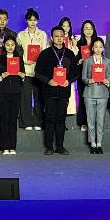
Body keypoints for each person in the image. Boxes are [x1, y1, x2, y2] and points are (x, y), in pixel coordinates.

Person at [33, 26, 77, 155]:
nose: (59, 38)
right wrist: (48, 81)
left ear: (64, 37)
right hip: (49, 92)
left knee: (61, 119)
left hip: (63, 92)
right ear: (51, 38)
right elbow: (37, 73)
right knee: (49, 119)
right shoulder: (45, 53)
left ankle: (60, 146)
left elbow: (75, 73)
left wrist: (68, 80)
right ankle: (49, 147)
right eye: (56, 36)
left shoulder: (69, 54)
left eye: (61, 36)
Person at [0, 36, 24, 154]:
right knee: (4, 119)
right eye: (8, 44)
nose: (10, 47)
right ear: (4, 45)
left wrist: (22, 76)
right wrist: (0, 76)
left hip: (15, 92)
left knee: (13, 119)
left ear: (15, 46)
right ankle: (4, 146)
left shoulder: (19, 59)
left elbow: (23, 74)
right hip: (2, 92)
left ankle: (12, 146)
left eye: (12, 45)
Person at [16, 8, 47, 131]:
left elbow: (44, 51)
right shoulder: (20, 35)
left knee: (39, 97)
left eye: (34, 20)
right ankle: (26, 122)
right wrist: (24, 60)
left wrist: (39, 61)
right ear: (26, 21)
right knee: (25, 98)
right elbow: (18, 52)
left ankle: (39, 122)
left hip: (38, 71)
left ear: (37, 21)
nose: (32, 22)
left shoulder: (42, 34)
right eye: (30, 20)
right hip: (25, 70)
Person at [81, 36, 110, 154]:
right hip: (89, 93)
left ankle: (99, 143)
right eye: (96, 47)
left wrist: (107, 81)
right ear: (92, 48)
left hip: (103, 94)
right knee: (90, 120)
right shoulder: (87, 61)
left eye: (100, 47)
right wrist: (89, 80)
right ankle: (92, 143)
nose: (98, 49)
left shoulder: (107, 61)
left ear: (103, 48)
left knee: (100, 121)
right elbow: (83, 77)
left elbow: (109, 76)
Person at [74, 19, 99, 131]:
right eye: (86, 28)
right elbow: (74, 60)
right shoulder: (78, 44)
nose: (88, 30)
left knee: (95, 99)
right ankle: (83, 122)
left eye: (90, 28)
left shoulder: (97, 43)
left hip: (96, 75)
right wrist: (79, 61)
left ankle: (94, 122)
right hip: (82, 74)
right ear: (82, 30)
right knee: (83, 98)